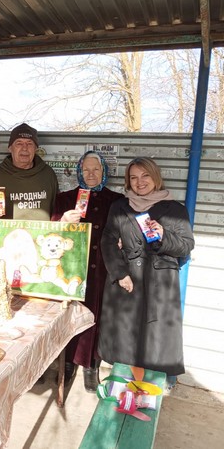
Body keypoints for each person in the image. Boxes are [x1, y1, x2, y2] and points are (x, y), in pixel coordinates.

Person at [98, 157, 194, 386]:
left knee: (155, 340)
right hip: (127, 281)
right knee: (125, 338)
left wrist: (164, 235)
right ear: (128, 181)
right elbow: (108, 240)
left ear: (155, 177)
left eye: (145, 176)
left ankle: (150, 391)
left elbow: (186, 245)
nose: (140, 182)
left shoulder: (175, 209)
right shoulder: (120, 207)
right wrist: (120, 273)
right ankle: (123, 389)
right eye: (134, 177)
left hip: (159, 284)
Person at [51, 151, 124, 392]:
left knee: (96, 316)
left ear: (104, 172)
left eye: (96, 170)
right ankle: (69, 362)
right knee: (70, 314)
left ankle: (91, 365)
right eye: (86, 169)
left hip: (102, 270)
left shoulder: (116, 200)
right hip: (73, 269)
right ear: (79, 171)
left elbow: (124, 231)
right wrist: (63, 221)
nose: (91, 174)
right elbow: (50, 234)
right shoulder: (65, 198)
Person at [0, 123, 58, 222]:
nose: (25, 148)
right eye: (19, 143)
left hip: (42, 236)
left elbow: (58, 209)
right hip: (7, 236)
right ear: (10, 148)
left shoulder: (48, 174)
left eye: (29, 143)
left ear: (35, 149)